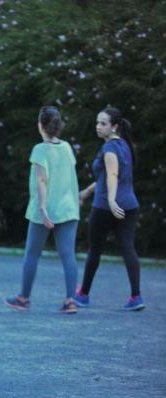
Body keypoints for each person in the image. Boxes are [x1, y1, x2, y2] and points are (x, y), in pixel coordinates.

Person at [6, 106, 80, 314]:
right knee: (68, 256)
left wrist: (42, 208)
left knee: (32, 254)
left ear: (40, 125)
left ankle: (23, 298)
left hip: (44, 210)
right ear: (58, 126)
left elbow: (42, 180)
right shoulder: (67, 148)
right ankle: (70, 301)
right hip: (68, 208)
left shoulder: (40, 150)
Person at [74, 107, 144, 311]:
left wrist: (112, 201)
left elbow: (113, 175)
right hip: (130, 205)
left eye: (103, 123)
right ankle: (136, 297)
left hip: (106, 207)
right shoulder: (125, 146)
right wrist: (86, 191)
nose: (98, 127)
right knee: (128, 249)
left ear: (114, 126)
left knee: (95, 251)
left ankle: (83, 295)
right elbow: (107, 177)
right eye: (97, 122)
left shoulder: (109, 149)